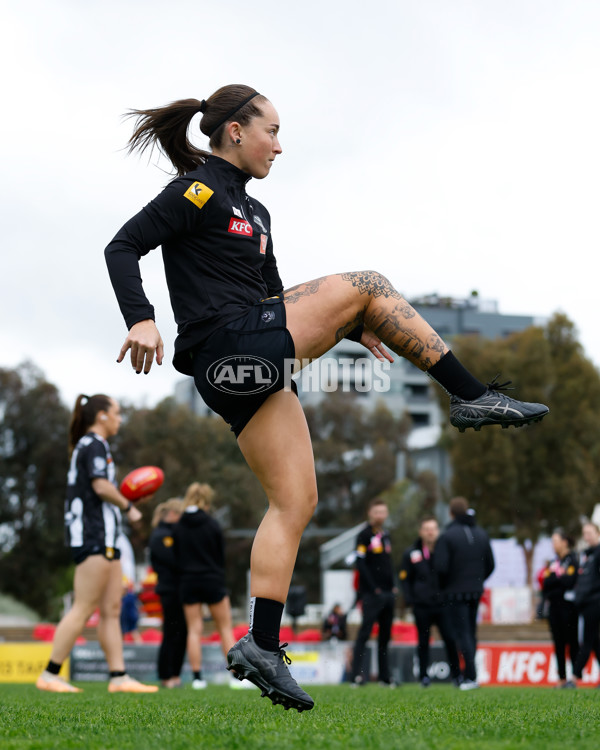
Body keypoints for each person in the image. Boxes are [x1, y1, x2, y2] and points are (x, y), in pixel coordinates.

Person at [104, 85, 548, 711]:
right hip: (224, 347)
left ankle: (260, 644)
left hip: (250, 358)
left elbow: (278, 299)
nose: (279, 146)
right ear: (235, 131)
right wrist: (141, 318)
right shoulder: (195, 191)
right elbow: (121, 246)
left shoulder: (255, 215)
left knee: (296, 502)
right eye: (272, 132)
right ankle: (473, 396)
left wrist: (351, 323)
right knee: (368, 281)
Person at [36, 394, 158, 694]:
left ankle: (119, 677)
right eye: (116, 413)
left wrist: (125, 501)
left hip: (106, 536)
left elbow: (103, 489)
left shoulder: (95, 446)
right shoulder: (93, 444)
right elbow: (100, 486)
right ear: (101, 415)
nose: (119, 418)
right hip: (93, 535)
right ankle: (50, 674)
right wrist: (129, 507)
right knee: (83, 606)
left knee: (112, 609)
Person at [173, 482, 239, 689]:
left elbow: (176, 556)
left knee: (194, 630)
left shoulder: (178, 526)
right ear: (206, 501)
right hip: (213, 579)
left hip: (188, 581)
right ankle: (236, 677)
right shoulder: (212, 524)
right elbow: (220, 555)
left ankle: (197, 678)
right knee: (225, 629)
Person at [434, 497, 495, 690]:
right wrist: (477, 580)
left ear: (451, 513)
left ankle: (470, 677)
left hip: (455, 593)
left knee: (462, 634)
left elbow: (440, 568)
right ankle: (470, 674)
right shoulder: (481, 534)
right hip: (475, 591)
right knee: (471, 631)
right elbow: (491, 564)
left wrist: (446, 586)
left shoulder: (447, 536)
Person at [399, 516, 460, 687]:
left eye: (433, 528)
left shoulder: (446, 552)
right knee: (423, 641)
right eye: (426, 529)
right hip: (422, 606)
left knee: (450, 639)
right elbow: (405, 579)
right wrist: (411, 599)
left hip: (443, 605)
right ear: (421, 532)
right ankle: (424, 677)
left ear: (438, 531)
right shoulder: (411, 553)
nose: (430, 532)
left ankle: (457, 676)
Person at [349, 498, 397, 686]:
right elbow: (360, 563)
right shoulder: (364, 535)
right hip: (371, 594)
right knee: (364, 633)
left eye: (383, 512)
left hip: (388, 594)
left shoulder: (386, 535)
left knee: (385, 636)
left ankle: (385, 677)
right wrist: (373, 588)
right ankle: (356, 676)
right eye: (377, 512)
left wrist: (392, 586)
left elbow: (388, 563)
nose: (380, 516)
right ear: (370, 513)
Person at [148, 498, 187, 688]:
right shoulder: (161, 536)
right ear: (173, 514)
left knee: (182, 632)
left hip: (181, 589)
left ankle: (176, 674)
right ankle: (166, 675)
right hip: (169, 590)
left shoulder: (174, 534)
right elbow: (173, 561)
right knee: (172, 632)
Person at [540, 528, 579, 688]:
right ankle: (562, 678)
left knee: (572, 641)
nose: (553, 545)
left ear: (564, 542)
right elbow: (546, 584)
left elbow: (570, 582)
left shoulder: (572, 560)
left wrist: (555, 579)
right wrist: (558, 577)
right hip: (554, 608)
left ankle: (575, 677)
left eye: (555, 541)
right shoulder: (554, 562)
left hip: (569, 608)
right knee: (558, 643)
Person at [572, 521, 600, 687]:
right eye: (584, 533)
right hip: (586, 603)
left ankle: (574, 677)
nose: (586, 537)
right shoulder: (586, 554)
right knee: (595, 641)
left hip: (595, 602)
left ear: (597, 533)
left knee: (588, 640)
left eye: (589, 533)